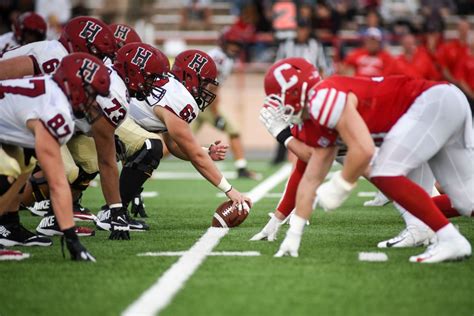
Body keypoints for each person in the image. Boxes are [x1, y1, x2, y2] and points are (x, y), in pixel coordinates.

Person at [258, 57, 472, 263]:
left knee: (384, 172)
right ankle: (428, 232)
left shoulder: (322, 100)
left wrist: (339, 186)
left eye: (277, 97)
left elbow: (364, 150)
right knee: (467, 201)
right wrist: (292, 236)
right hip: (442, 102)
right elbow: (310, 177)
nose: (276, 106)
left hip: (430, 105)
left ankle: (450, 239)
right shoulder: (315, 117)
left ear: (296, 90)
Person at [107, 50, 252, 220]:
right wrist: (230, 190)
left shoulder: (173, 89)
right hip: (109, 120)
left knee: (82, 169)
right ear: (190, 78)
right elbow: (194, 155)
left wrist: (205, 151)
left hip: (116, 121)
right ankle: (114, 212)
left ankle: (106, 209)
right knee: (151, 146)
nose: (207, 91)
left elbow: (174, 146)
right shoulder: (179, 98)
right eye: (205, 83)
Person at [0, 53, 110, 261]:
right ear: (73, 86)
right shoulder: (55, 112)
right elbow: (58, 184)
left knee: (26, 162)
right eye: (90, 93)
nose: (92, 101)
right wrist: (72, 239)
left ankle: (8, 226)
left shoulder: (49, 86)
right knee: (8, 173)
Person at [191, 27, 260, 180]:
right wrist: (216, 115)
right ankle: (241, 168)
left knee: (178, 142)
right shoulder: (221, 59)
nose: (234, 47)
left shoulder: (217, 55)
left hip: (195, 102)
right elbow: (212, 89)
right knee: (234, 130)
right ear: (224, 42)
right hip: (204, 103)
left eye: (237, 44)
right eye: (232, 44)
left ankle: (147, 163)